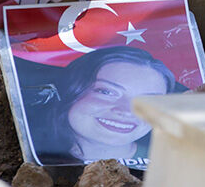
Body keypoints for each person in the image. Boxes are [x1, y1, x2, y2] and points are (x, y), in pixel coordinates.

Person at [28, 47, 187, 166]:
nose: (126, 111)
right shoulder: (30, 155)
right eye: (107, 92)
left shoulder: (176, 166)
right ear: (69, 90)